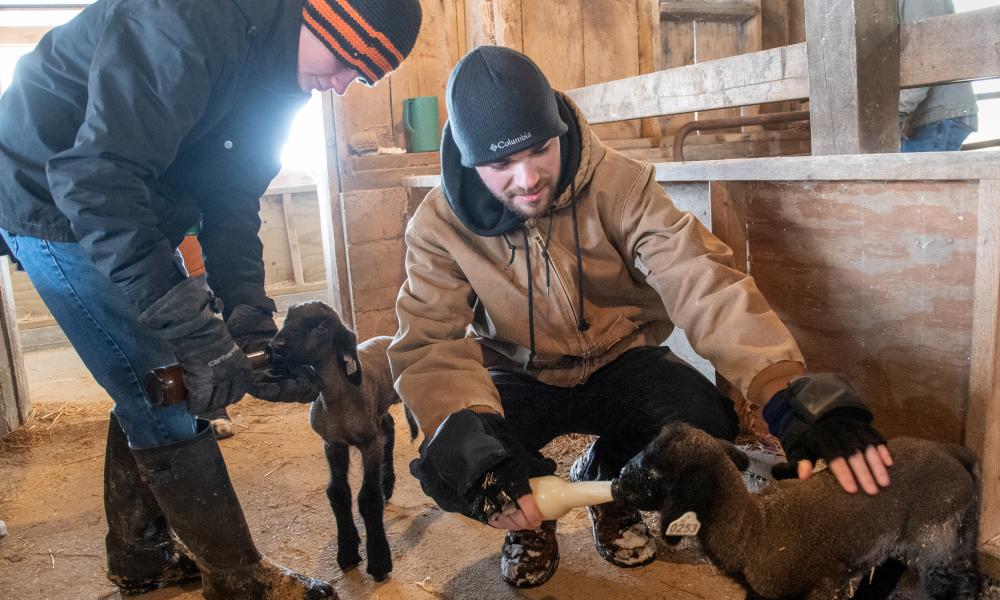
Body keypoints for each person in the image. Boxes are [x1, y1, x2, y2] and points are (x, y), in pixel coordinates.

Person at [388, 46, 893, 588]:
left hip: (620, 361)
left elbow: (698, 276)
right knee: (455, 465)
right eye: (500, 165)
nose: (528, 177)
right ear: (470, 162)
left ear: (559, 129)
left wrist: (786, 391)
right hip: (519, 374)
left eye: (539, 150)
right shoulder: (438, 227)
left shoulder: (620, 185)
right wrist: (483, 456)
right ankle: (532, 512)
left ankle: (610, 483)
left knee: (704, 423)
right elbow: (430, 343)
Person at [0, 0, 421, 598]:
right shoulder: (183, 20)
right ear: (322, 19)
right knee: (162, 379)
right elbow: (98, 180)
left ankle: (141, 559)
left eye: (362, 76)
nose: (342, 85)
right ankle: (238, 581)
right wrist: (198, 334)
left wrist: (248, 320)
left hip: (134, 198)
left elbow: (231, 198)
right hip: (53, 195)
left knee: (154, 375)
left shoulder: (281, 77)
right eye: (347, 61)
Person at [898, 0, 978, 151]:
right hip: (929, 115)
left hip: (942, 114)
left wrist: (898, 111)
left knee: (893, 165)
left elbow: (926, 49)